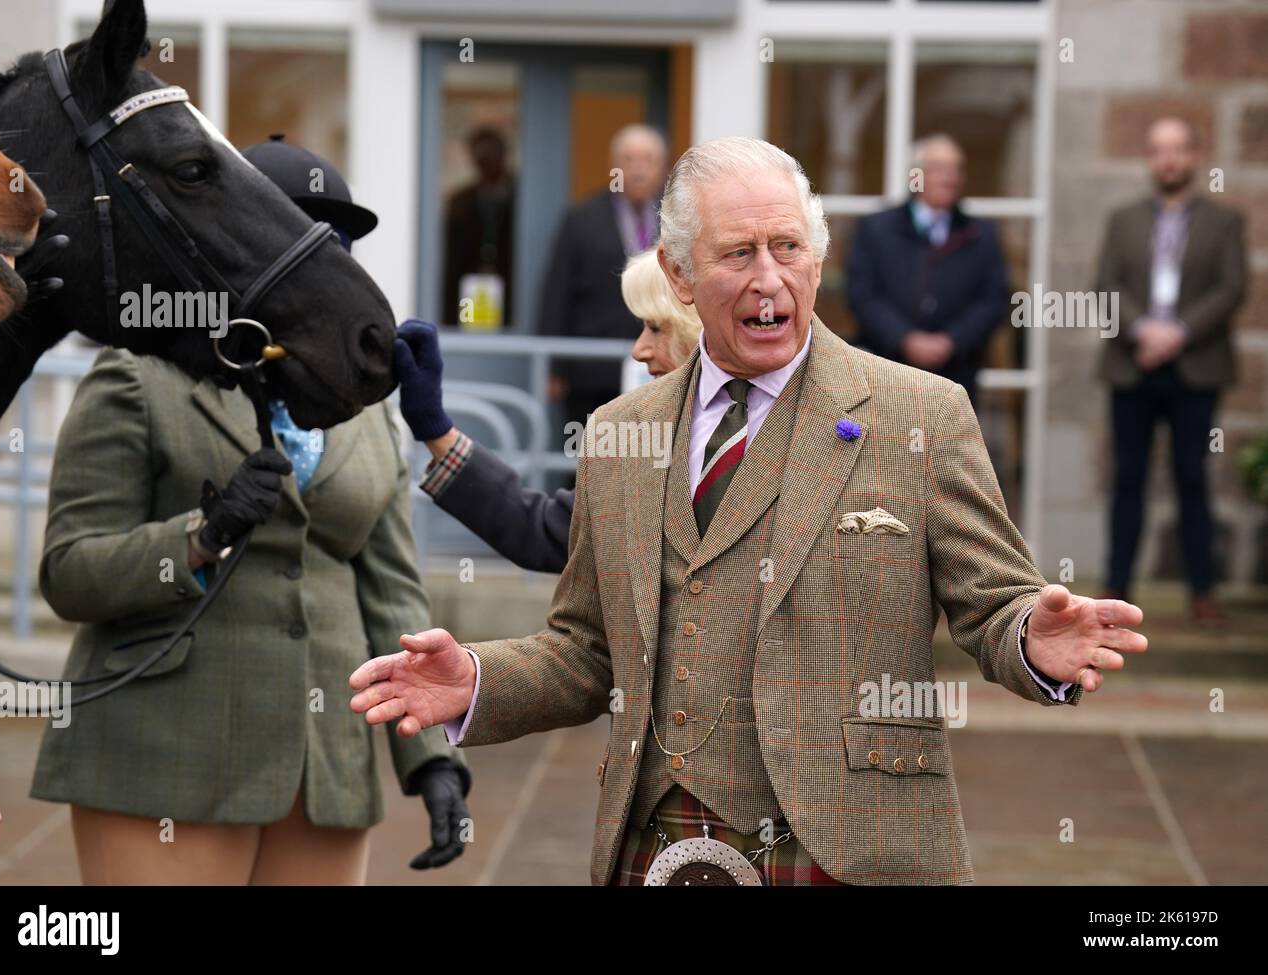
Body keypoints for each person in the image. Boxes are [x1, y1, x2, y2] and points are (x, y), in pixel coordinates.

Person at [350, 137, 1149, 886]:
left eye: (788, 247)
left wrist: (1032, 639)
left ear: (817, 260)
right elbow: (586, 649)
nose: (770, 278)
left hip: (853, 846)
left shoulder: (921, 414)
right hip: (657, 840)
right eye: (738, 253)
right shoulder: (619, 432)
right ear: (679, 273)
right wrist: (477, 680)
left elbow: (995, 604)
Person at [29, 136, 470, 885]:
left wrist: (432, 757)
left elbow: (392, 594)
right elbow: (69, 573)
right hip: (166, 760)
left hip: (325, 771)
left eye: (339, 243)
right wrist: (201, 536)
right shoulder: (138, 375)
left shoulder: (365, 405)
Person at [396, 248, 702, 574]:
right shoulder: (654, 438)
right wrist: (436, 430)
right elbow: (547, 529)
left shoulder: (730, 442)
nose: (638, 350)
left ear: (697, 329)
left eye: (655, 327)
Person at [1096, 116, 1247, 624]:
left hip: (1195, 368)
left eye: (1178, 149)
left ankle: (1203, 592)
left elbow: (1231, 288)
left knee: (1191, 477)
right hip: (1132, 365)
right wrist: (1144, 331)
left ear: (1195, 155)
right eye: (1159, 149)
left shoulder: (1224, 221)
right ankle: (1116, 588)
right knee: (1128, 478)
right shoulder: (1123, 219)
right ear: (1149, 157)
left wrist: (1176, 333)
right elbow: (1106, 284)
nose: (1168, 159)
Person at [845, 133, 1009, 400]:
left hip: (957, 377)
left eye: (956, 169)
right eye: (939, 169)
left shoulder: (980, 234)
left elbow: (993, 300)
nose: (949, 178)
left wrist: (952, 340)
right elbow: (862, 294)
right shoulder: (877, 229)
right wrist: (904, 338)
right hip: (886, 371)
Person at [540, 124, 668, 430]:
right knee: (591, 450)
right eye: (629, 159)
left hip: (661, 367)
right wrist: (554, 367)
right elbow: (556, 293)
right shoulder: (581, 219)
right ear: (614, 167)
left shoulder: (676, 219)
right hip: (591, 371)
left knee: (650, 451)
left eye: (648, 159)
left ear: (662, 168)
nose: (638, 169)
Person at [442, 127, 515, 328]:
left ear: (503, 156)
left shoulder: (523, 199)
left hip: (511, 292)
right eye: (481, 159)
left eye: (490, 157)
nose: (486, 165)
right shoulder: (461, 202)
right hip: (469, 289)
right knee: (471, 329)